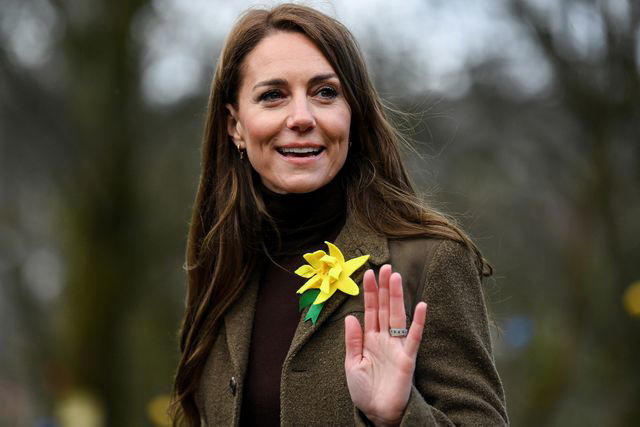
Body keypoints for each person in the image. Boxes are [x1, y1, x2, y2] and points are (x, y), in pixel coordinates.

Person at [172, 3, 508, 426]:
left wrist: (399, 415)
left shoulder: (429, 260)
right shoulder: (223, 266)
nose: (301, 117)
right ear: (235, 125)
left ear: (353, 112)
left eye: (325, 92)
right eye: (273, 95)